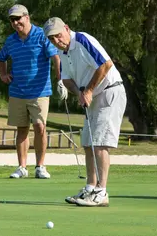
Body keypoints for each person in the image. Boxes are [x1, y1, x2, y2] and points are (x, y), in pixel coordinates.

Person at [43, 17, 127, 206]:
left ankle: (101, 191)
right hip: (93, 97)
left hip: (109, 92)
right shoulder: (61, 52)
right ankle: (90, 187)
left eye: (58, 35)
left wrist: (88, 90)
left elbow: (106, 64)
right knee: (88, 143)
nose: (57, 40)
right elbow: (66, 79)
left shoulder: (82, 40)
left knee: (99, 143)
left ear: (66, 28)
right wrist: (79, 92)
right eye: (52, 38)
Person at [0, 4, 60, 179]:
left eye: (18, 18)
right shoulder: (11, 40)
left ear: (27, 17)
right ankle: (22, 167)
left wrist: (60, 78)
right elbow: (1, 58)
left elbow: (55, 57)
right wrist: (3, 74)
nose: (16, 22)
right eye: (12, 19)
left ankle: (40, 166)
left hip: (40, 90)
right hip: (17, 91)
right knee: (22, 129)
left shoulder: (42, 35)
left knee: (40, 127)